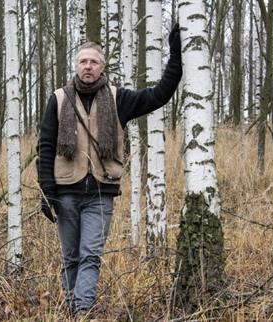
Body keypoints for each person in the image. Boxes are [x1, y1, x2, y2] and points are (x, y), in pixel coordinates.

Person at [36, 25, 182, 317]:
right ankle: (72, 309)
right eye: (83, 61)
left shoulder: (118, 99)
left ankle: (82, 311)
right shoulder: (58, 99)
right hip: (65, 192)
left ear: (102, 67)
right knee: (71, 258)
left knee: (90, 255)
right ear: (76, 66)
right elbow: (46, 146)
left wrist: (175, 54)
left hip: (101, 192)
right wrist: (45, 191)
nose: (87, 66)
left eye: (93, 61)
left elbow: (159, 95)